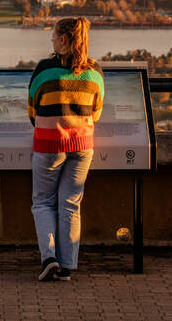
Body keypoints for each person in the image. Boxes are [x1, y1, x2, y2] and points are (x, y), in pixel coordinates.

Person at [27, 17, 104, 281]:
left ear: (62, 39)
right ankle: (67, 266)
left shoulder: (44, 69)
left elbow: (32, 108)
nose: (51, 40)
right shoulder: (95, 71)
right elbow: (96, 111)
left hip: (49, 143)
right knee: (70, 205)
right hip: (82, 144)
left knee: (43, 202)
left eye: (52, 36)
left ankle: (49, 258)